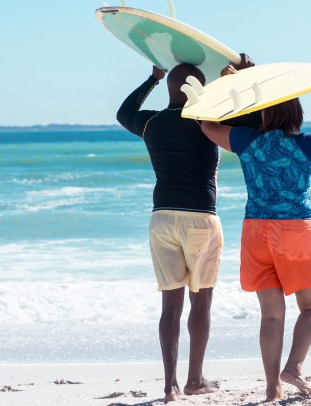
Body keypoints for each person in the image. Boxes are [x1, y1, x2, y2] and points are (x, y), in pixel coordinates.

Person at [199, 76, 311, 401]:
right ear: (296, 115)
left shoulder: (246, 140)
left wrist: (228, 89)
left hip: (256, 231)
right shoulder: (307, 143)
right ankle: (294, 368)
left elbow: (206, 125)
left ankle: (272, 388)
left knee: (272, 315)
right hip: (295, 229)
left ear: (264, 113)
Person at [116, 56, 259, 402]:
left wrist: (151, 79)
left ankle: (170, 386)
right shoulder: (207, 120)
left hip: (162, 217)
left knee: (170, 307)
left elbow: (123, 113)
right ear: (200, 88)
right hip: (201, 218)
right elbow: (253, 122)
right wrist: (243, 76)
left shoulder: (150, 124)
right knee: (201, 303)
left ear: (168, 89)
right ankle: (195, 379)